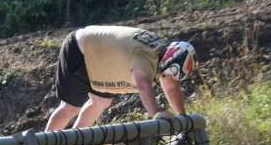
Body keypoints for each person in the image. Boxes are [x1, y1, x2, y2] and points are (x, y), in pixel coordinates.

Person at [45, 25, 196, 131]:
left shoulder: (161, 53)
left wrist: (183, 117)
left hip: (101, 56)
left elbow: (170, 86)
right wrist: (156, 113)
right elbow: (143, 85)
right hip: (80, 49)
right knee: (71, 107)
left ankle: (72, 144)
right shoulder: (145, 57)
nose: (168, 77)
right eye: (170, 73)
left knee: (101, 101)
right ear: (169, 60)